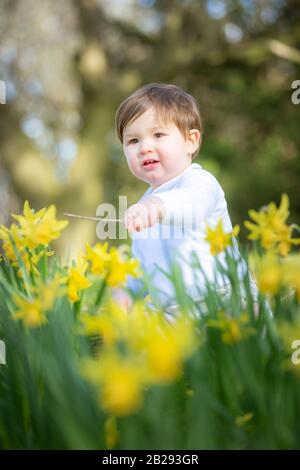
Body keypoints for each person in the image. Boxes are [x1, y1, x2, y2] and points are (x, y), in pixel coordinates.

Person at [112, 83, 251, 314]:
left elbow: (191, 204)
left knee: (247, 320)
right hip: (176, 313)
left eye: (158, 135)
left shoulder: (200, 182)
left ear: (191, 141)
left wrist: (156, 206)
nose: (145, 147)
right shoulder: (144, 207)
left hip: (226, 297)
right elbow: (143, 267)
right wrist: (126, 291)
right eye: (133, 141)